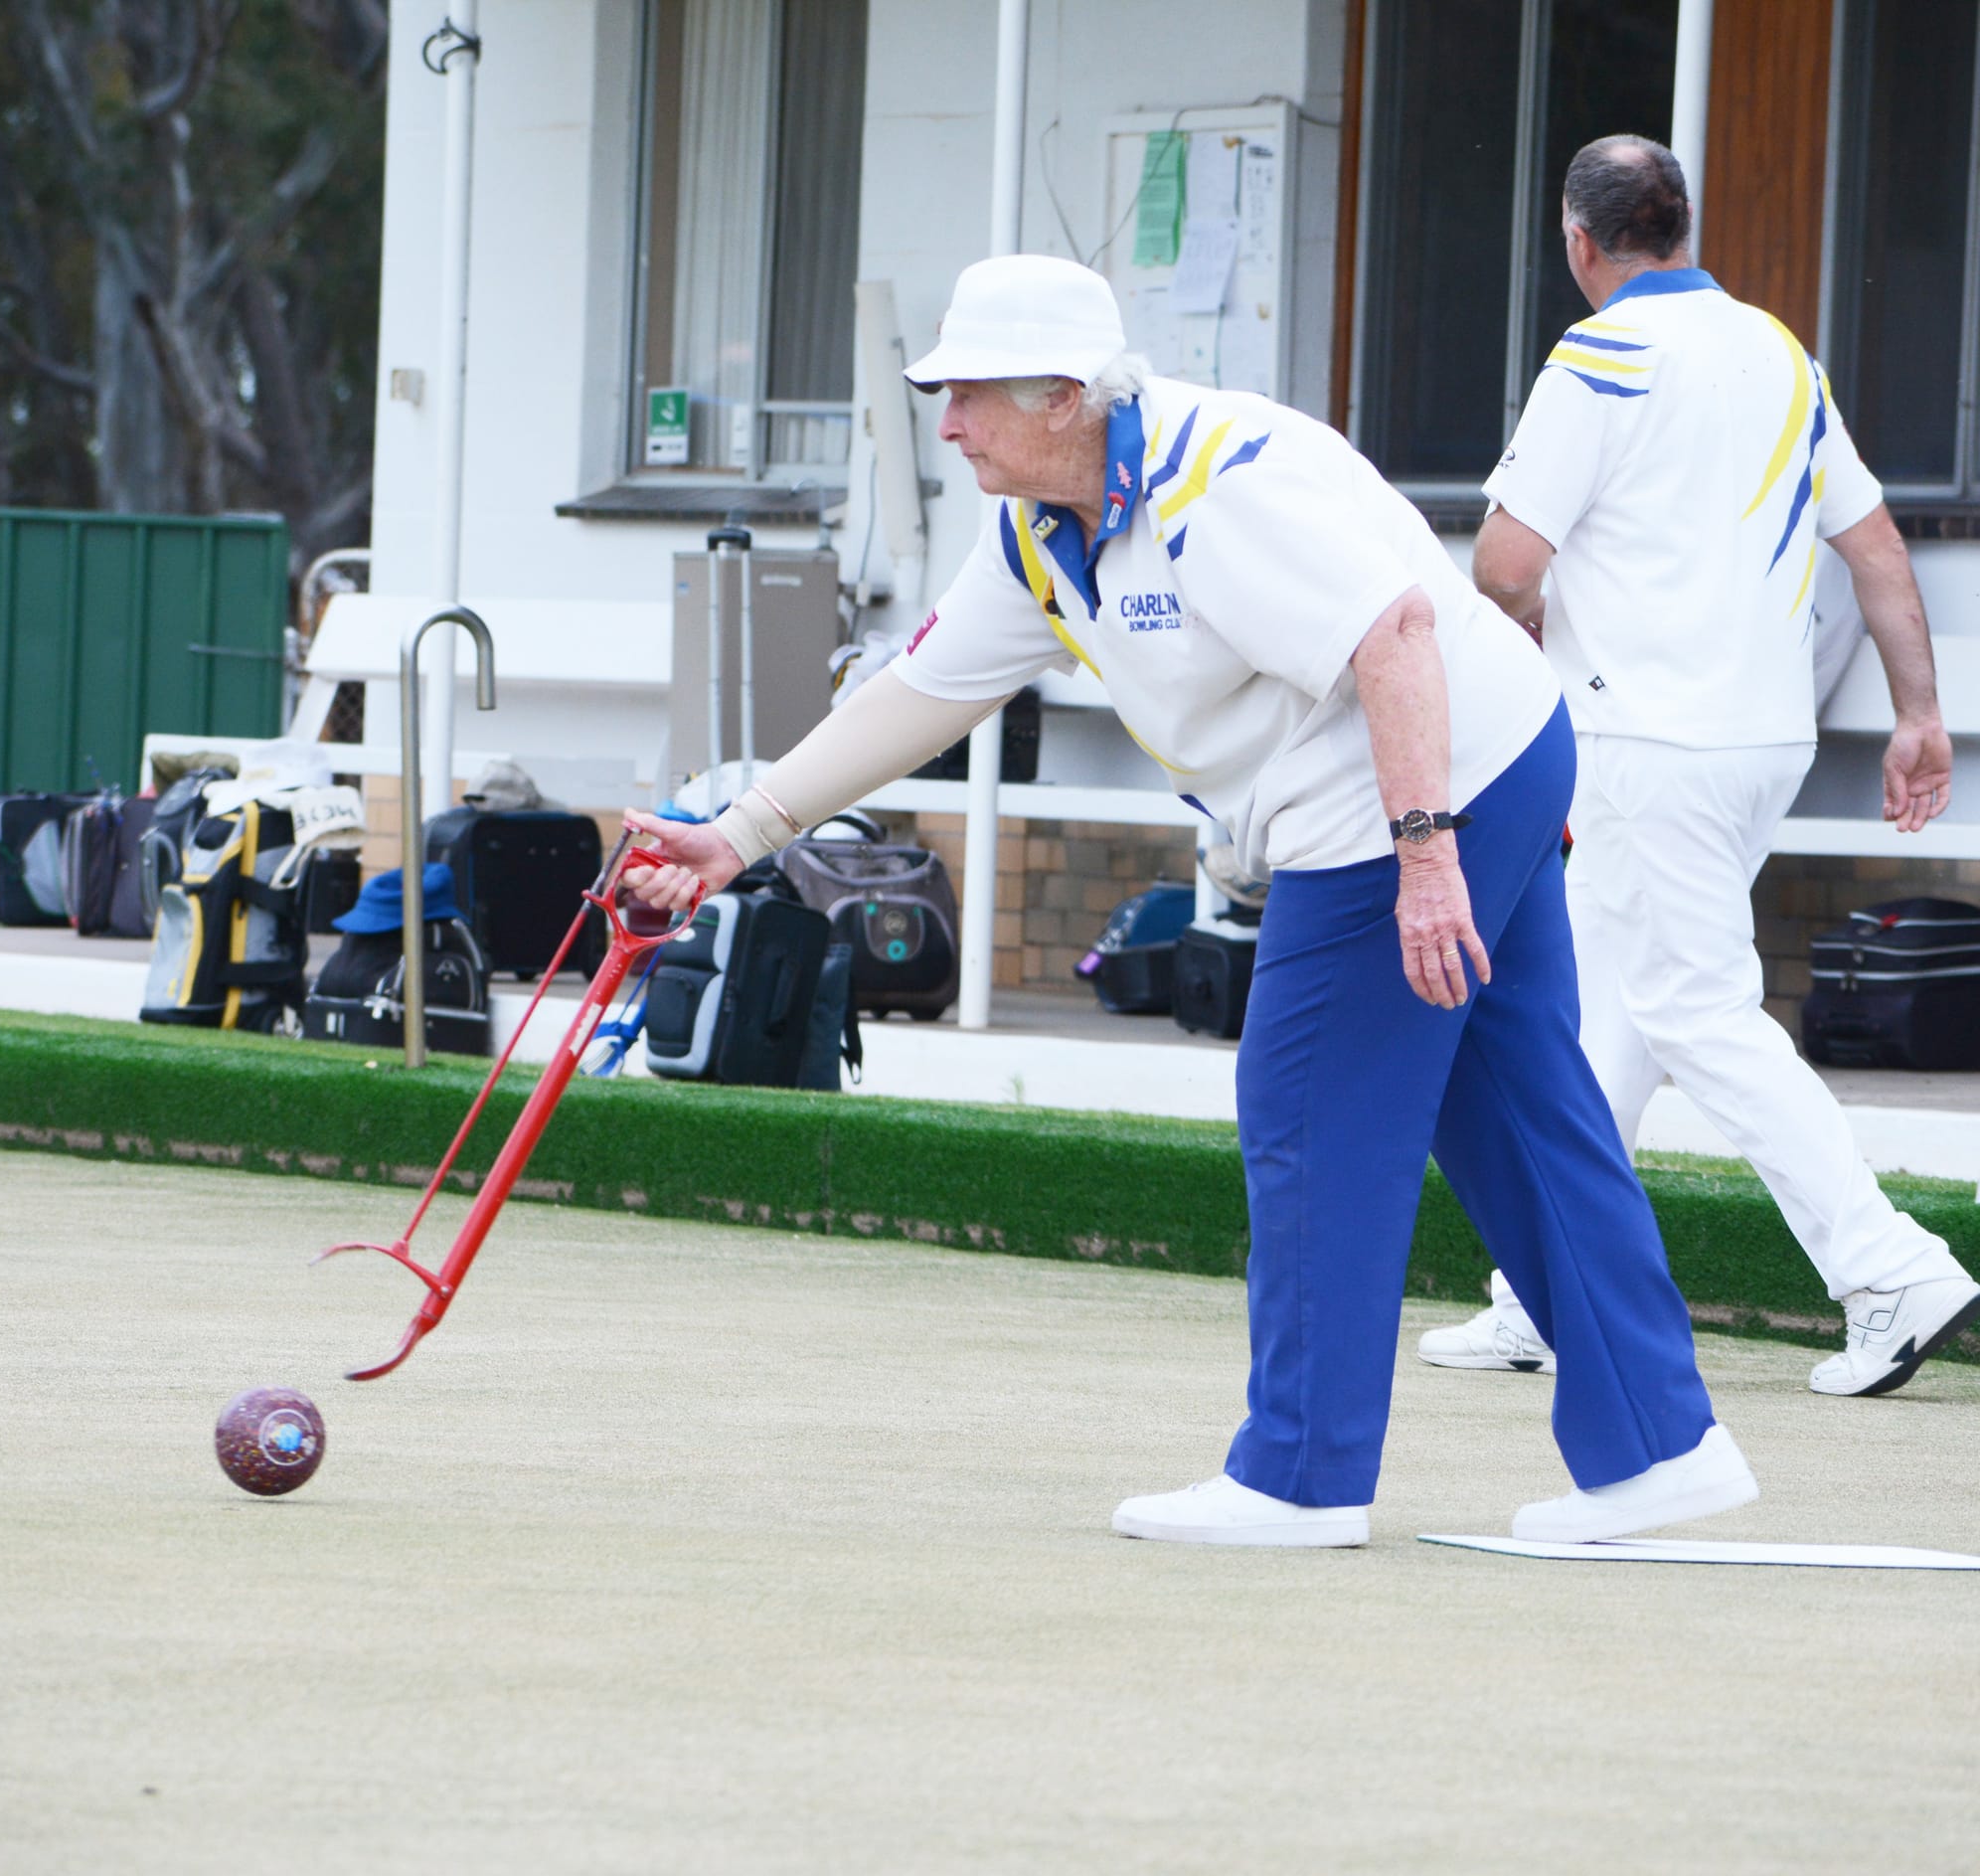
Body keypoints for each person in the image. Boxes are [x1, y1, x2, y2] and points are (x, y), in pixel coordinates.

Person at [623, 253, 1757, 1546]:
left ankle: (1301, 1475)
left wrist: (1427, 859)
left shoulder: (1219, 482)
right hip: (1484, 758)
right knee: (1511, 1104)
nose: (946, 423)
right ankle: (1662, 1443)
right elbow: (921, 692)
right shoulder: (1039, 532)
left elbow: (1393, 636)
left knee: (1310, 1103)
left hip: (1414, 789)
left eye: (970, 395)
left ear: (1062, 394)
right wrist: (738, 833)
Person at [1421, 134, 1980, 1397]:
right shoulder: (1778, 350)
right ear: (1679, 225)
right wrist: (1919, 717)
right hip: (1758, 740)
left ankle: (1888, 1273)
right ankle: (1539, 1291)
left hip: (1643, 740)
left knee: (1688, 1007)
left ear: (1577, 242)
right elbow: (1877, 548)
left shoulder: (1597, 354)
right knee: (1613, 1008)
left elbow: (1504, 568)